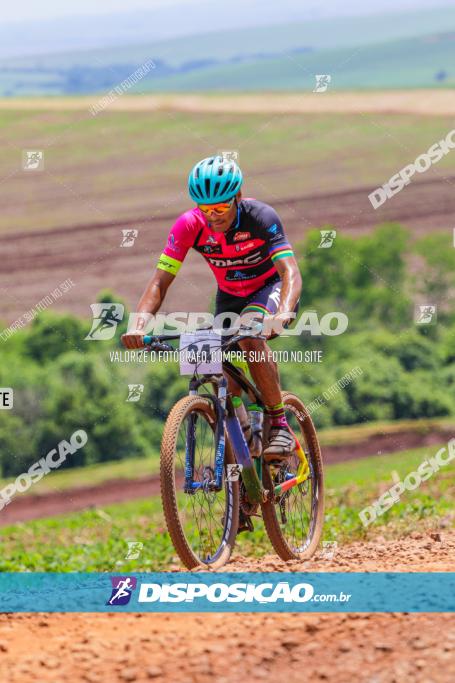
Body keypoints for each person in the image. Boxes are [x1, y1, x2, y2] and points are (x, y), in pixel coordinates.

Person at [121, 155, 302, 459]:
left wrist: (283, 313)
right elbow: (159, 282)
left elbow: (290, 272)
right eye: (206, 208)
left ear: (238, 197)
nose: (213, 215)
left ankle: (280, 424)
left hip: (269, 290)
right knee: (213, 367)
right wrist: (138, 326)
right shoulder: (188, 225)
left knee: (249, 336)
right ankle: (246, 453)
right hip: (230, 297)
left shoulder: (261, 216)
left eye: (220, 207)